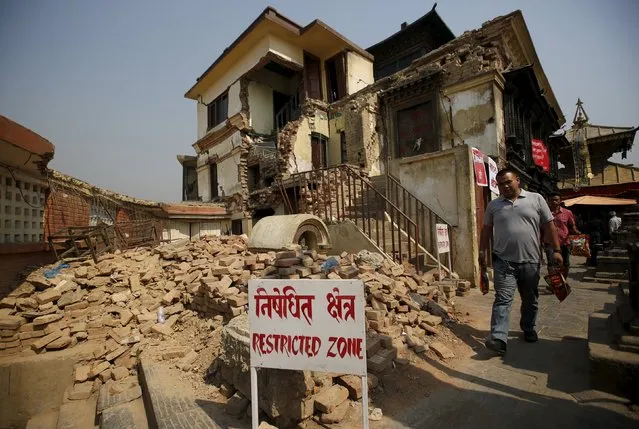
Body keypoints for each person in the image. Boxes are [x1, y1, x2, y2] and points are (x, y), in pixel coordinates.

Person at [479, 168, 562, 356]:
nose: (505, 186)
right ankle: (499, 338)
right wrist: (482, 251)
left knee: (530, 299)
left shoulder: (536, 199)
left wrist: (556, 251)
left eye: (508, 182)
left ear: (518, 181)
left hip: (531, 260)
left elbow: (549, 225)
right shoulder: (494, 205)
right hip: (503, 261)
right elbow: (486, 230)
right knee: (502, 299)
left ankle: (528, 327)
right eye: (500, 184)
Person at [546, 193, 580, 277]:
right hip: (550, 243)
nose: (554, 202)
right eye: (552, 200)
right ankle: (555, 284)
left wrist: (575, 231)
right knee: (551, 264)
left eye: (556, 200)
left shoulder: (567, 212)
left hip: (564, 242)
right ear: (548, 201)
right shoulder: (545, 212)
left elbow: (572, 225)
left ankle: (563, 282)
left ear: (560, 201)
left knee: (565, 263)